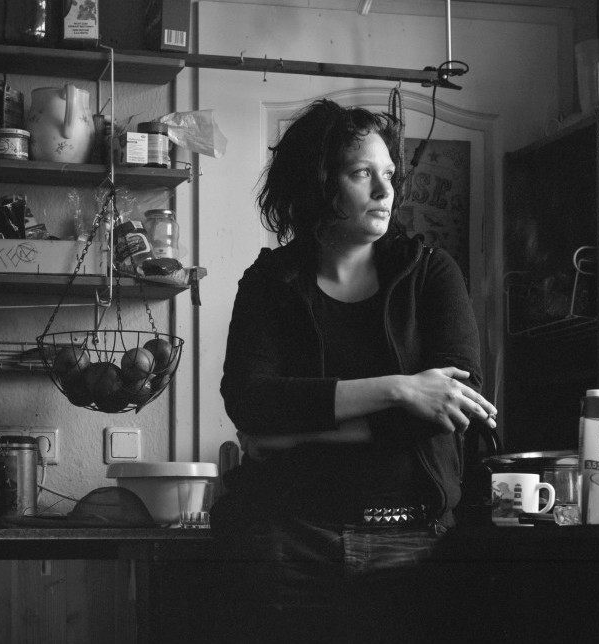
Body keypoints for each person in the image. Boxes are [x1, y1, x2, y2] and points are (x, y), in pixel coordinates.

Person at [211, 98, 497, 643]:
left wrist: (300, 433)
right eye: (362, 173)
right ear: (319, 183)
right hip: (288, 542)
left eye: (388, 174)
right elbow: (249, 401)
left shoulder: (432, 274)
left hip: (413, 542)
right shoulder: (270, 283)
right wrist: (398, 389)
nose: (386, 192)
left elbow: (456, 406)